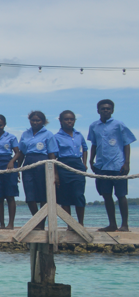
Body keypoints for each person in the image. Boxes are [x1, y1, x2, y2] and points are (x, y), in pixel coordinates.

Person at [89, 99, 135, 232]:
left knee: (121, 195)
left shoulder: (118, 124)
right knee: (106, 195)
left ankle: (125, 225)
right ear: (98, 110)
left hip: (118, 165)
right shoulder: (94, 126)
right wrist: (91, 160)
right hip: (102, 166)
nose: (106, 111)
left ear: (112, 111)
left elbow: (127, 143)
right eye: (103, 108)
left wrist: (127, 163)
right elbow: (94, 144)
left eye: (108, 109)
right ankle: (112, 224)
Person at [11, 111, 58, 229]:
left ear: (43, 121)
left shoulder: (48, 134)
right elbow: (21, 152)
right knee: (30, 196)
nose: (35, 122)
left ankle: (41, 224)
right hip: (28, 163)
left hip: (43, 164)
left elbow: (52, 154)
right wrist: (17, 168)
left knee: (43, 195)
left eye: (38, 120)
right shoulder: (25, 134)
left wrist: (55, 173)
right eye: (33, 120)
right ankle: (37, 220)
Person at [55, 110, 89, 227]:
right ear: (60, 121)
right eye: (66, 119)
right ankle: (70, 225)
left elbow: (85, 148)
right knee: (65, 197)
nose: (69, 121)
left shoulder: (79, 135)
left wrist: (84, 163)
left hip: (77, 165)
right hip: (63, 165)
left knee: (79, 194)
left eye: (72, 119)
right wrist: (56, 174)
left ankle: (80, 224)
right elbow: (53, 156)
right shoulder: (56, 137)